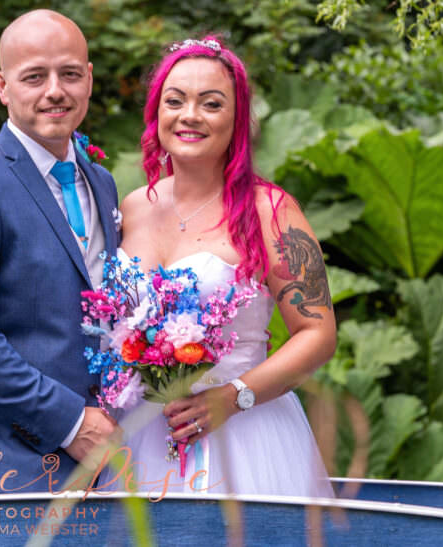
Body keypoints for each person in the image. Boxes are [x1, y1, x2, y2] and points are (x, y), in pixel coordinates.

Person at [108, 36, 336, 496]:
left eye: (211, 103)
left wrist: (233, 398)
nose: (189, 115)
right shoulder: (134, 206)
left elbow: (318, 334)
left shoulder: (270, 210)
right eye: (175, 101)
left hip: (243, 436)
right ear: (157, 114)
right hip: (139, 439)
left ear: (236, 120)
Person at [0, 9, 121, 493]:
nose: (55, 90)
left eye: (70, 73)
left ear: (89, 79)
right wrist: (73, 423)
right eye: (34, 76)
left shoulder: (103, 183)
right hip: (14, 471)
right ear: (2, 86)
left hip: (114, 471)